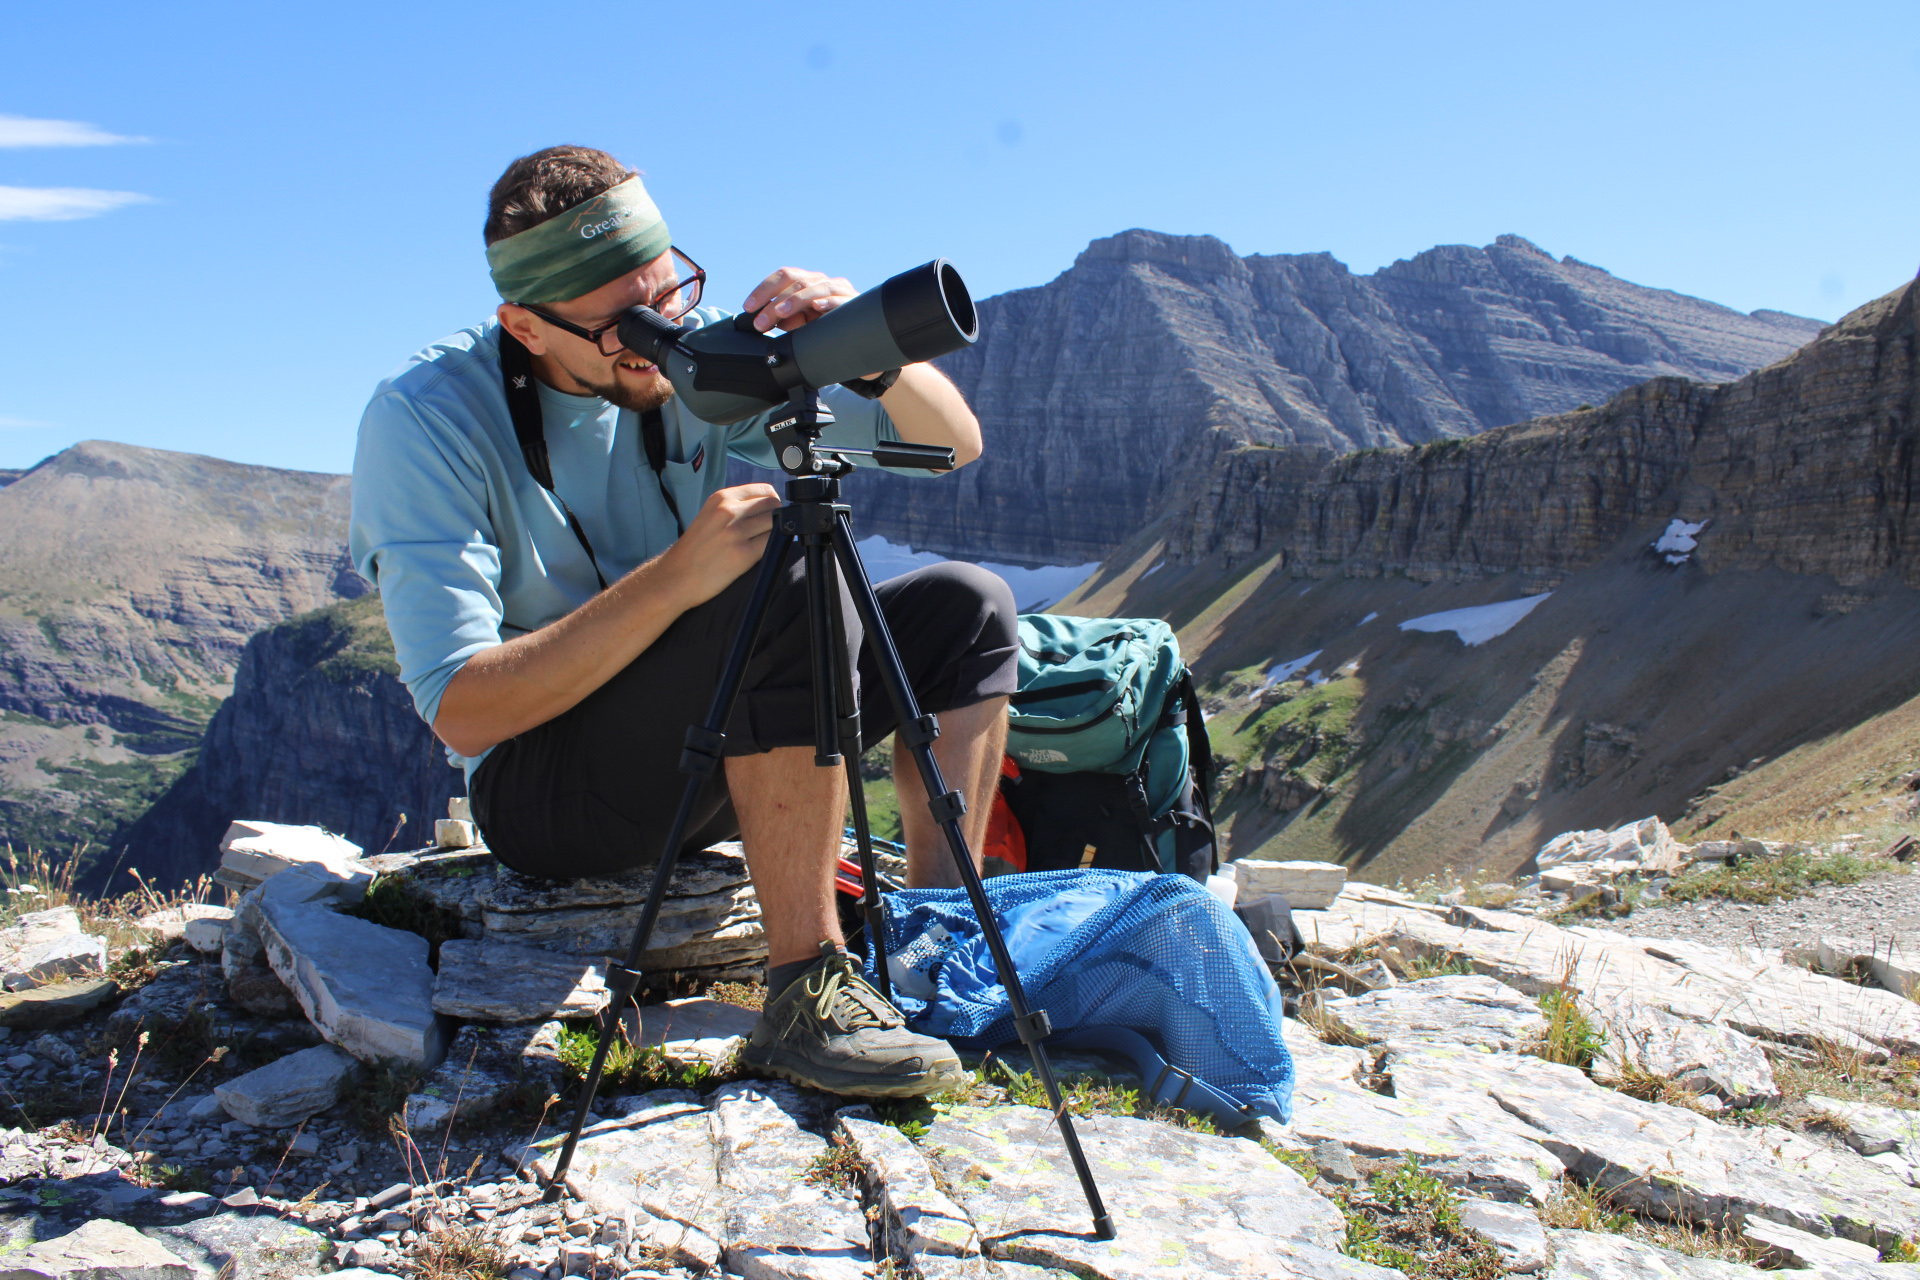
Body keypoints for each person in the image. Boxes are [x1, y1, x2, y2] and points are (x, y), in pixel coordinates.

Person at [349, 145, 1017, 1098]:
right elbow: (462, 710)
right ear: (523, 328)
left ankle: (935, 943)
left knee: (967, 608)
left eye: (668, 296)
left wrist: (864, 359)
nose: (656, 336)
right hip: (549, 793)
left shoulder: (686, 359)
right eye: (622, 324)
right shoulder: (425, 420)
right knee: (785, 573)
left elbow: (950, 444)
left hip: (705, 741)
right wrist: (674, 579)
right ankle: (807, 991)